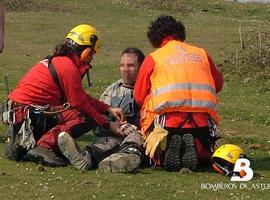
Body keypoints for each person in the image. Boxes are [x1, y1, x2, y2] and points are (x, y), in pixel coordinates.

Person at [5, 24, 124, 166]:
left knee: (79, 113)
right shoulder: (68, 68)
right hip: (31, 114)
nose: (90, 58)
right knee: (84, 118)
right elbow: (79, 104)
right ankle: (44, 146)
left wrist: (107, 108)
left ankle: (27, 141)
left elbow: (79, 97)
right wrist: (107, 124)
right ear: (86, 50)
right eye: (91, 53)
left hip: (20, 112)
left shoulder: (59, 61)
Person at [134, 15, 223, 172]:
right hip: (201, 125)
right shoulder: (202, 54)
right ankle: (196, 150)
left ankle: (166, 153)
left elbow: (139, 96)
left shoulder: (154, 58)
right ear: (181, 33)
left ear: (154, 38)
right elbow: (218, 85)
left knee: (149, 102)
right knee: (202, 152)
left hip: (167, 125)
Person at [57, 47, 145, 172]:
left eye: (131, 66)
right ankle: (86, 158)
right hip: (114, 137)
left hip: (140, 137)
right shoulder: (112, 91)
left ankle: (122, 158)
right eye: (122, 65)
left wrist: (135, 128)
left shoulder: (150, 89)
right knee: (105, 142)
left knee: (134, 138)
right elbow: (98, 123)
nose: (125, 70)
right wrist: (112, 127)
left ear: (142, 67)